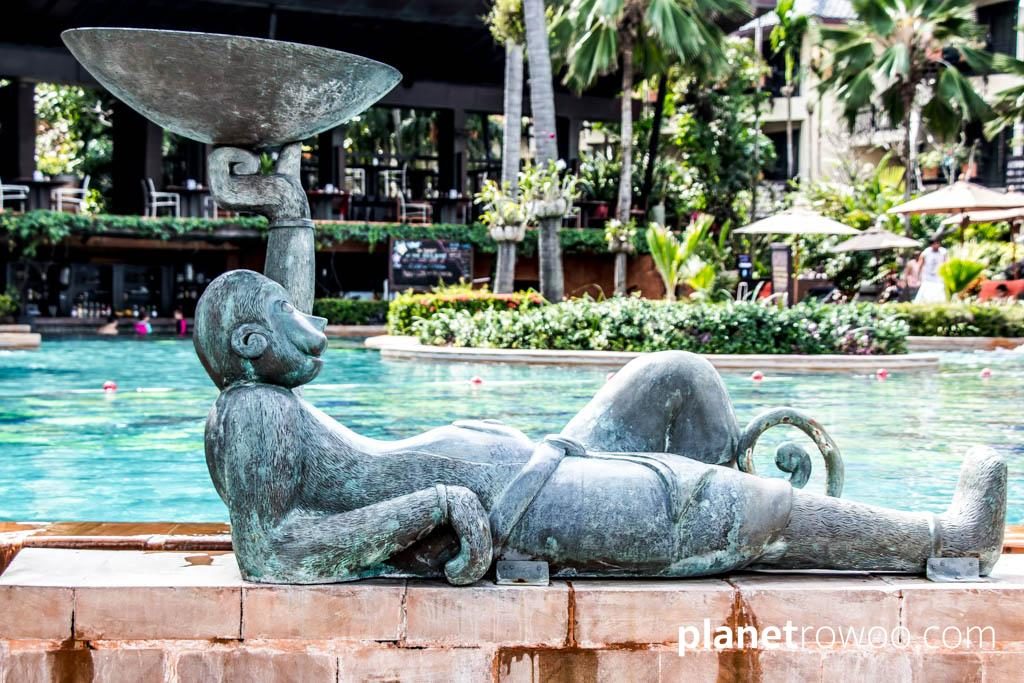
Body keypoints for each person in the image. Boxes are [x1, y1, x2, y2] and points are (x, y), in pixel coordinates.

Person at [192, 270, 1007, 585]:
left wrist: (282, 200)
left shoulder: (264, 397)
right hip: (530, 506)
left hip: (534, 461)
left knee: (675, 375)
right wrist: (435, 503)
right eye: (288, 316)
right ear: (254, 345)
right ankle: (947, 536)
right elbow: (272, 554)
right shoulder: (252, 414)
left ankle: (730, 517)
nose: (317, 325)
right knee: (759, 509)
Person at [914, 238, 948, 303]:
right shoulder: (926, 252)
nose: (937, 245)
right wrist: (918, 277)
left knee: (940, 295)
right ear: (931, 245)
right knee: (926, 295)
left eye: (938, 243)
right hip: (927, 277)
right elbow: (920, 265)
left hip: (939, 278)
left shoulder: (943, 252)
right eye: (935, 243)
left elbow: (946, 263)